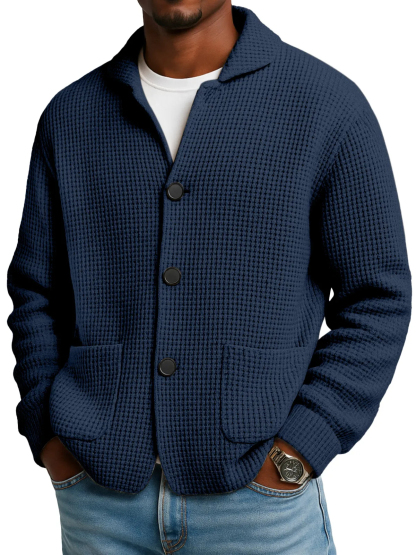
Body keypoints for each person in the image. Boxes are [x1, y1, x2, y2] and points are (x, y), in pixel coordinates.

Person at [7, 1, 411, 553]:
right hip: (99, 504)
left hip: (260, 509)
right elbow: (36, 290)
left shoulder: (325, 105)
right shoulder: (72, 115)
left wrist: (302, 447)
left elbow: (377, 298)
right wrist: (49, 436)